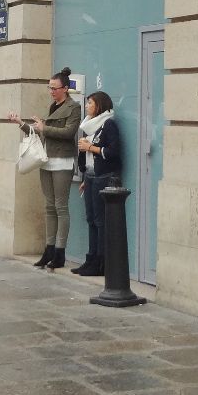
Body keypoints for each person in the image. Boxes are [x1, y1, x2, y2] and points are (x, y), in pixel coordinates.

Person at [8, 67, 80, 271]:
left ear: (65, 89)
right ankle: (49, 250)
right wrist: (20, 122)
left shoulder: (73, 108)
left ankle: (60, 253)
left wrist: (44, 128)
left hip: (63, 160)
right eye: (49, 88)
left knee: (61, 206)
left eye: (54, 88)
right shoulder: (53, 106)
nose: (51, 91)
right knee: (49, 206)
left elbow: (69, 132)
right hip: (46, 159)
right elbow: (40, 132)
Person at [72, 91, 122, 277]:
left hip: (104, 177)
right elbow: (87, 155)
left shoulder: (109, 124)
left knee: (101, 221)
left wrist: (90, 147)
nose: (87, 106)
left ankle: (101, 262)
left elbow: (113, 151)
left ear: (99, 105)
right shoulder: (89, 126)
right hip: (91, 177)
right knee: (91, 219)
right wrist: (85, 178)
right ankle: (91, 258)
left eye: (90, 103)